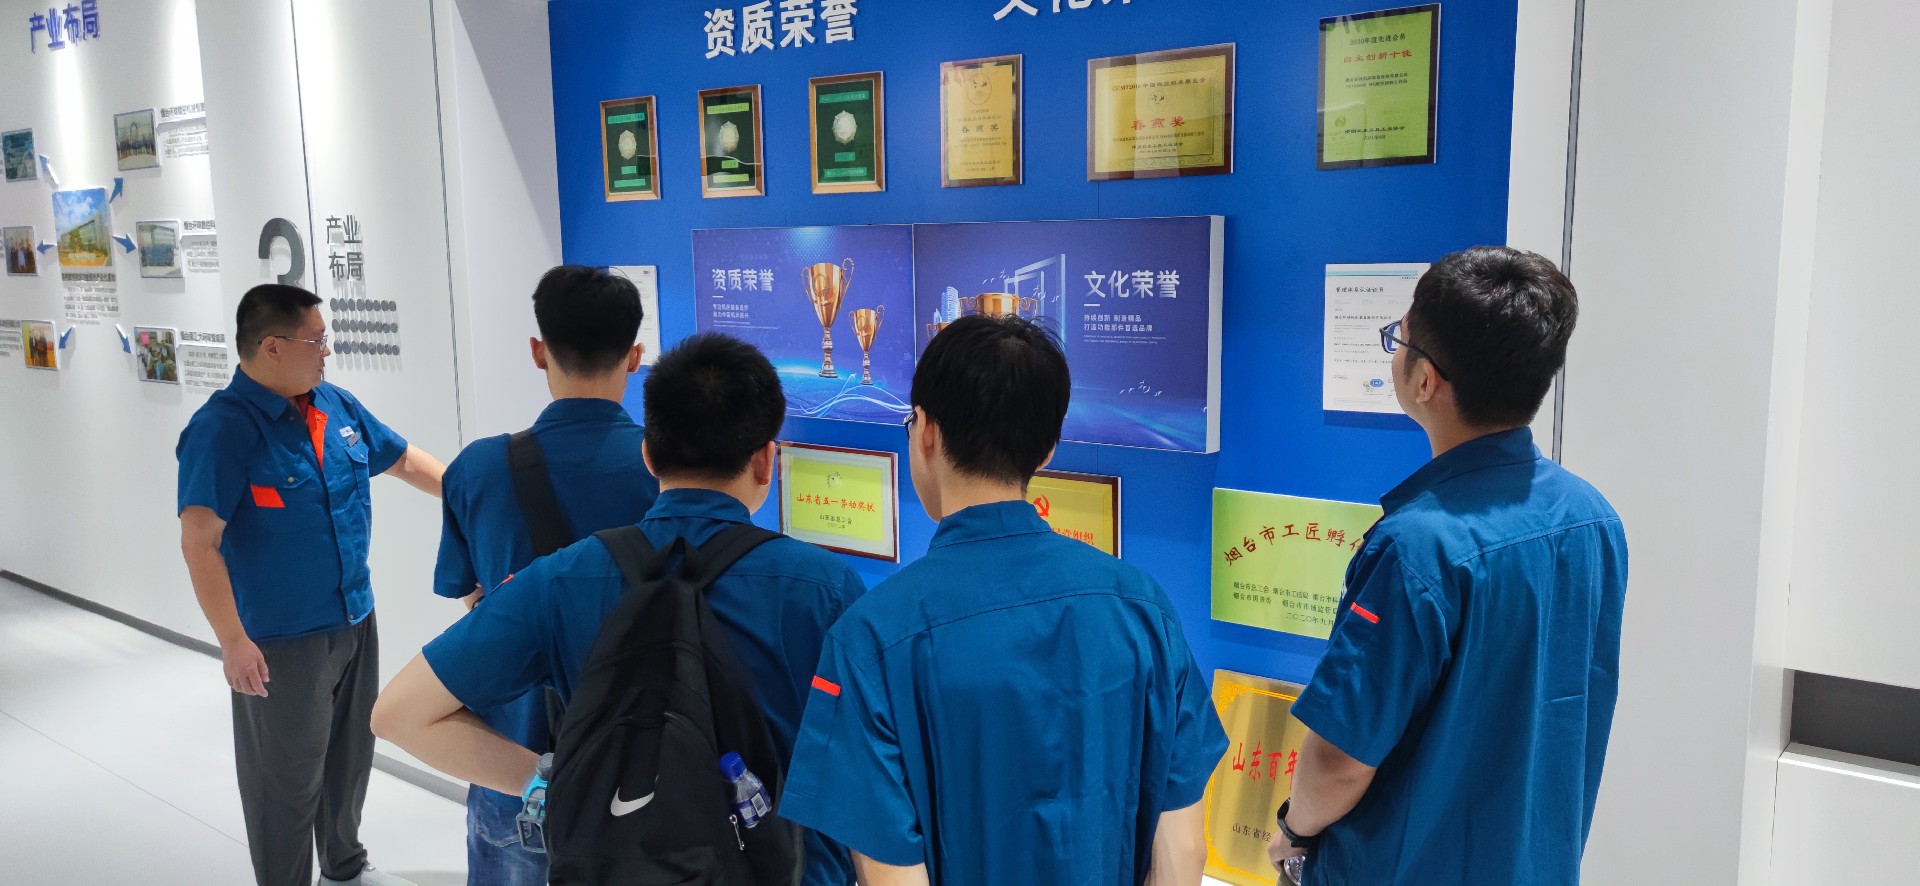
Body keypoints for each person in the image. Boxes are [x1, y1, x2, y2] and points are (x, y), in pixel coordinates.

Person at [372, 332, 865, 886]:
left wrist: (550, 781)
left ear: (648, 454)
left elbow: (397, 715)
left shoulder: (561, 579)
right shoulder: (824, 588)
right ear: (766, 460)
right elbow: (867, 770)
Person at [779, 315, 1228, 885]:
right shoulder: (1144, 610)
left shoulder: (871, 638)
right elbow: (1183, 852)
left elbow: (892, 876)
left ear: (927, 433)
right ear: (1047, 449)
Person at [1266, 246, 1628, 885]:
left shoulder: (1416, 547)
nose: (1396, 353)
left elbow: (1342, 760)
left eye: (1398, 339)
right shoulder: (1592, 517)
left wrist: (1292, 832)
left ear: (1426, 380)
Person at [176, 283, 446, 886]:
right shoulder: (222, 430)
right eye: (317, 340)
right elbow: (200, 542)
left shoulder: (334, 405)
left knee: (350, 760)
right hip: (280, 639)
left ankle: (344, 868)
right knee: (285, 782)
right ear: (272, 347)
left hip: (354, 617)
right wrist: (232, 641)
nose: (327, 352)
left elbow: (402, 459)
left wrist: (473, 492)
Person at [430, 265, 661, 885]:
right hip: (645, 764)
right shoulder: (668, 470)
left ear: (539, 351)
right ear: (635, 356)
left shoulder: (477, 469)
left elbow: (473, 600)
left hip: (519, 767)